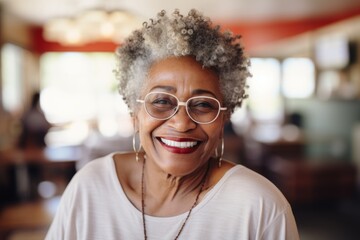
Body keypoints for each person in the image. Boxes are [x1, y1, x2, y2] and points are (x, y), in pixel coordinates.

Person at [46, 9, 299, 239]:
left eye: (202, 104)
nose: (181, 123)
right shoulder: (90, 188)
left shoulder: (260, 207)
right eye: (161, 101)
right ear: (135, 113)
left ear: (223, 119)